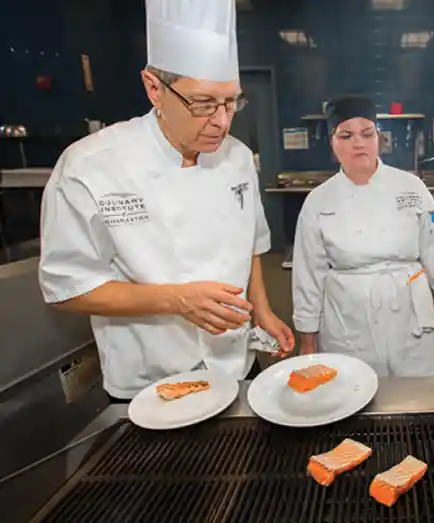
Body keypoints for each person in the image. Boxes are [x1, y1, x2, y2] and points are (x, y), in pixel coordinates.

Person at [38, 0, 294, 402]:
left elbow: (251, 247)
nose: (223, 121)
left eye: (231, 102)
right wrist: (176, 299)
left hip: (236, 366)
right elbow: (65, 287)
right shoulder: (89, 167)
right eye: (203, 103)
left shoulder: (239, 157)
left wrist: (261, 310)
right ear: (153, 88)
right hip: (148, 382)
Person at [291, 95, 434, 376]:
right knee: (354, 396)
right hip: (348, 322)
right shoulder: (318, 202)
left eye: (367, 133)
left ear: (378, 138)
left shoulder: (411, 187)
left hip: (410, 318)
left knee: (418, 398)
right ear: (332, 143)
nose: (358, 143)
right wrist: (307, 340)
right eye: (346, 135)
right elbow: (308, 275)